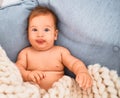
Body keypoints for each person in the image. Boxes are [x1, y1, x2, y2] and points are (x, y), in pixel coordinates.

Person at [16, 6, 92, 90]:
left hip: (59, 91)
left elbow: (74, 63)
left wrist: (82, 72)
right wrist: (27, 75)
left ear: (55, 35)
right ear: (28, 34)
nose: (40, 34)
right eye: (34, 30)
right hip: (32, 92)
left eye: (46, 30)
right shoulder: (25, 53)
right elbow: (17, 70)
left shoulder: (60, 52)